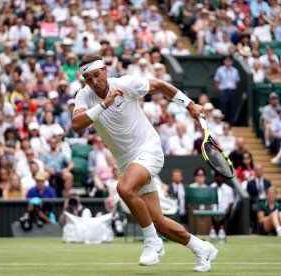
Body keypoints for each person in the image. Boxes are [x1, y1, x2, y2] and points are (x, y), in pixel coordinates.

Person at [72, 53, 217, 271]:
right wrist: (105, 104)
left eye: (97, 75)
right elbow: (76, 124)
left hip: (148, 150)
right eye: (88, 79)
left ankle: (152, 242)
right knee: (158, 221)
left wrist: (190, 105)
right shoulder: (83, 96)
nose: (94, 82)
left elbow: (159, 85)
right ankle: (202, 248)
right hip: (127, 162)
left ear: (105, 70)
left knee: (124, 188)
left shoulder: (125, 84)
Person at [214, 56, 240, 125]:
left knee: (232, 108)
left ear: (232, 62)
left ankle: (231, 124)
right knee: (223, 107)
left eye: (230, 60)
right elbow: (217, 82)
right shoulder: (220, 70)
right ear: (224, 61)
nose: (228, 62)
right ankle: (222, 123)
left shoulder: (235, 70)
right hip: (223, 91)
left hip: (232, 91)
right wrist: (220, 91)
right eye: (227, 60)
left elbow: (237, 81)